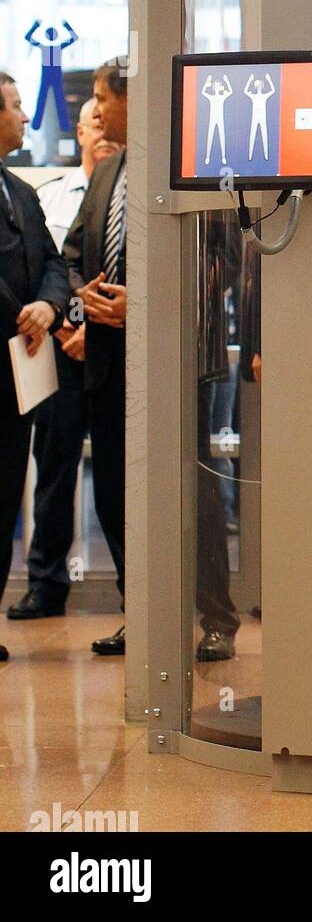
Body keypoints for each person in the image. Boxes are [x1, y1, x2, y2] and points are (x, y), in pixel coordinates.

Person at [7, 98, 121, 621]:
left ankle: (134, 591)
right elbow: (61, 263)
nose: (103, 130)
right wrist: (66, 318)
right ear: (78, 131)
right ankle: (46, 582)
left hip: (103, 349)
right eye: (93, 122)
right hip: (51, 350)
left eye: (107, 119)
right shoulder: (44, 195)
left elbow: (59, 267)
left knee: (120, 478)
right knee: (53, 469)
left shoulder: (131, 191)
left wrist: (79, 319)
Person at [0, 73, 71, 663]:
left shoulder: (19, 189)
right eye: (17, 106)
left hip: (18, 381)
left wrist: (47, 305)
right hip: (12, 347)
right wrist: (21, 316)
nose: (25, 117)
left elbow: (53, 259)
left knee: (5, 500)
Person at [62, 62, 129, 656]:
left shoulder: (176, 174)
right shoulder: (106, 171)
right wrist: (85, 293)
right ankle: (142, 612)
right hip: (106, 365)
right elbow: (73, 250)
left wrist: (143, 305)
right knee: (113, 489)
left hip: (165, 368)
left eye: (104, 98)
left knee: (177, 495)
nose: (97, 111)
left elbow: (215, 266)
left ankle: (197, 617)